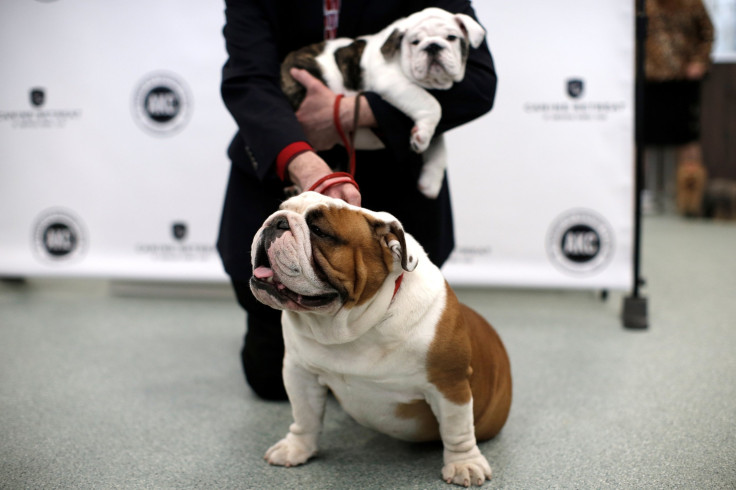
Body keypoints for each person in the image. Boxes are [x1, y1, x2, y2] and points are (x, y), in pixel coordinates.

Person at [218, 0, 497, 400]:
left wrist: (351, 111)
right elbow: (248, 80)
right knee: (270, 380)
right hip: (280, 159)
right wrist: (303, 163)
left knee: (401, 376)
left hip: (393, 176)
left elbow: (478, 83)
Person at [643, 0, 714, 216]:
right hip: (650, 78)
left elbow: (707, 33)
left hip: (684, 78)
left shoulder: (693, 3)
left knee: (685, 137)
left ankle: (684, 198)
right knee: (650, 138)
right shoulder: (643, 4)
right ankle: (652, 194)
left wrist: (700, 61)